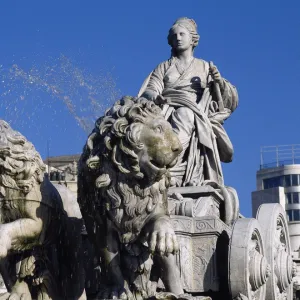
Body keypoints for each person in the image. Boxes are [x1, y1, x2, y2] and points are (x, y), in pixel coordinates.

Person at [139, 17, 238, 187]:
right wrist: (155, 97)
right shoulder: (163, 67)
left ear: (193, 39)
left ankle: (170, 163)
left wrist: (218, 82)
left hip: (195, 111)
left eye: (182, 34)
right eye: (174, 35)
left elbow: (228, 99)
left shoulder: (205, 66)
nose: (178, 38)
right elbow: (150, 89)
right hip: (166, 108)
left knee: (184, 114)